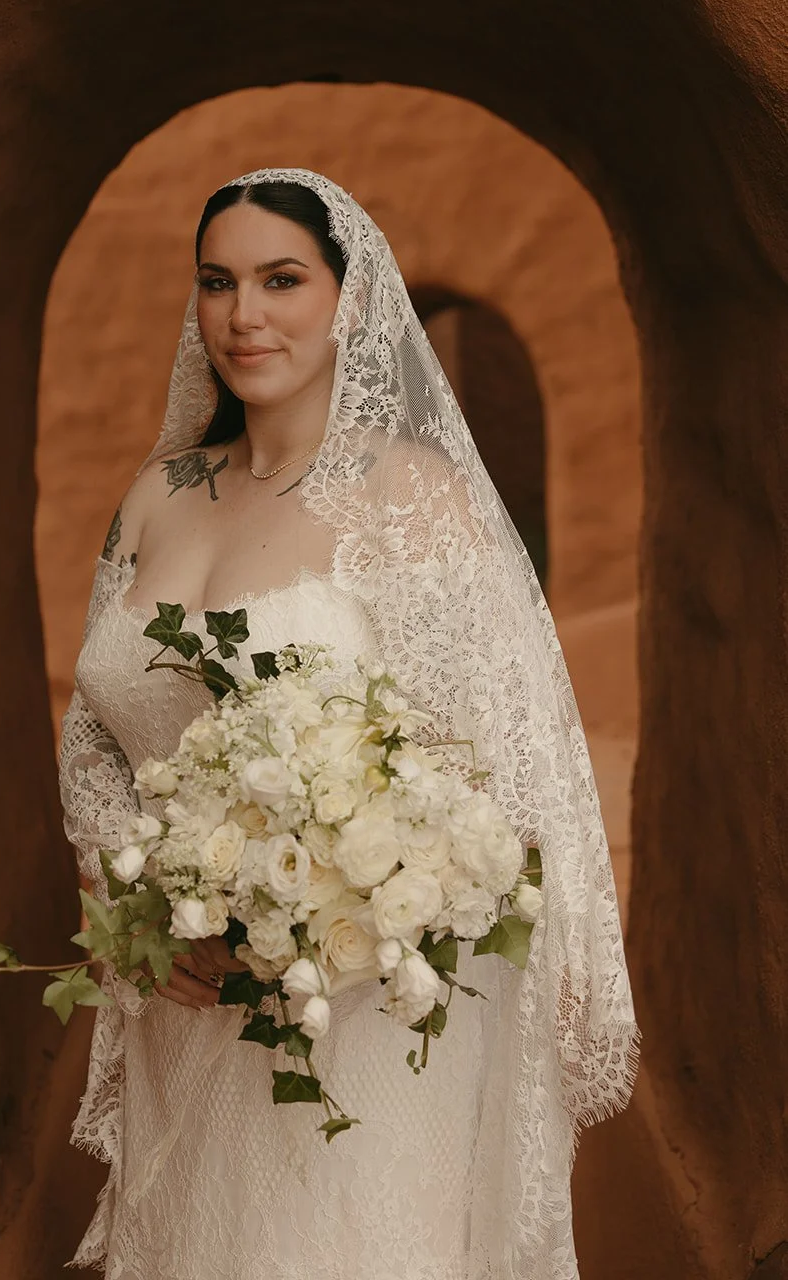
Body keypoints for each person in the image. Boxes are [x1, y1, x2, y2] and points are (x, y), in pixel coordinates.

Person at [57, 167, 639, 1280]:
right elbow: (93, 731)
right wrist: (138, 890)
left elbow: (500, 759)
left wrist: (347, 897)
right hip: (186, 994)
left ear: (351, 299)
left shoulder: (408, 498)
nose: (244, 314)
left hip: (358, 1010)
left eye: (282, 279)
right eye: (217, 282)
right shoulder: (154, 495)